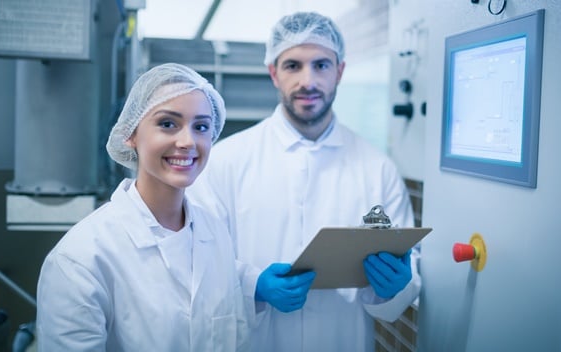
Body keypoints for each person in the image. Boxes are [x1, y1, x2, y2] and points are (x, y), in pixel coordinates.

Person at [188, 11, 420, 352]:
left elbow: (407, 269)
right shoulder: (226, 162)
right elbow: (196, 261)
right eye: (293, 65)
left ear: (340, 71)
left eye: (322, 65)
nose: (308, 81)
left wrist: (395, 287)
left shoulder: (377, 168)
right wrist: (253, 286)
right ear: (273, 73)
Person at [36, 63, 250, 351]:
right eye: (167, 124)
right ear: (131, 134)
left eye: (201, 127)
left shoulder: (214, 233)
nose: (188, 141)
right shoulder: (80, 259)